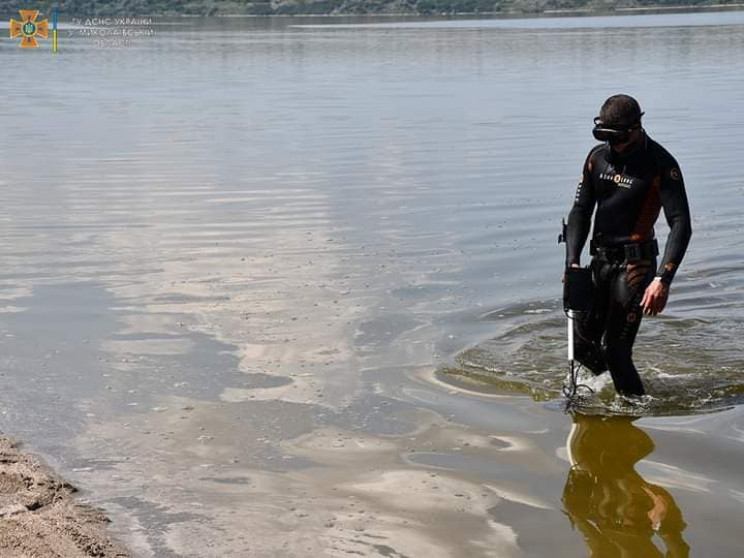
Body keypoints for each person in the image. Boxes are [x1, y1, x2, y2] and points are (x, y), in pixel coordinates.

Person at [565, 94, 692, 396]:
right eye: (607, 137)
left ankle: (633, 411)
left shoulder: (661, 165)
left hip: (636, 267)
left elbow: (681, 224)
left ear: (637, 127)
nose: (615, 145)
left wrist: (663, 279)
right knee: (582, 346)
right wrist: (572, 262)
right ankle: (606, 389)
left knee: (615, 349)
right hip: (600, 263)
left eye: (619, 137)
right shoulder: (596, 158)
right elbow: (580, 211)